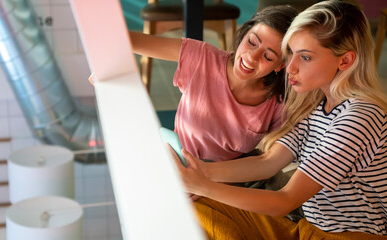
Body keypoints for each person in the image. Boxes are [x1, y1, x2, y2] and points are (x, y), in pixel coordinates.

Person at [172, 0, 387, 239]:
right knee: (194, 209)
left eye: (305, 57)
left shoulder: (360, 116)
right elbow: (268, 162)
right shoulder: (317, 105)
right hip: (309, 228)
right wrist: (199, 171)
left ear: (345, 61)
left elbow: (286, 200)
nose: (289, 68)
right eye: (291, 54)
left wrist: (203, 185)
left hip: (349, 235)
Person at [116, 5, 298, 162]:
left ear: (280, 65)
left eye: (268, 56)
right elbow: (126, 40)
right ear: (245, 32)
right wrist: (108, 60)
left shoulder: (278, 102)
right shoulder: (202, 58)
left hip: (224, 185)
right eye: (251, 42)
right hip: (177, 168)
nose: (252, 57)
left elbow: (271, 159)